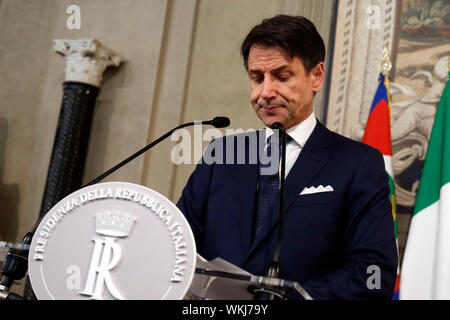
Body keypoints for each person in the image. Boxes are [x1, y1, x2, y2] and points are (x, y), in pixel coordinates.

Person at [177, 15, 397, 299]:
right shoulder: (221, 156)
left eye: (281, 76)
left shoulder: (358, 163)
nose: (265, 93)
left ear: (316, 76)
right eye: (257, 78)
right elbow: (177, 246)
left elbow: (374, 273)